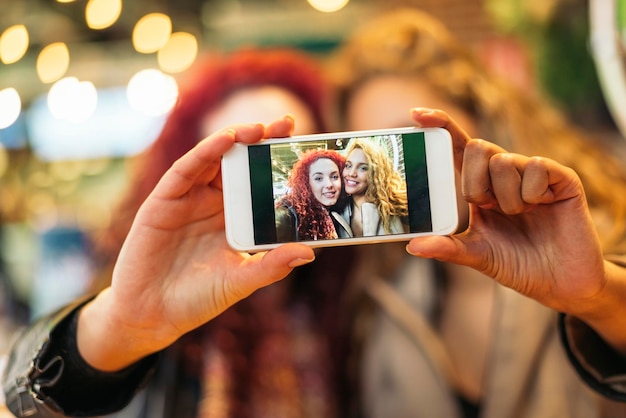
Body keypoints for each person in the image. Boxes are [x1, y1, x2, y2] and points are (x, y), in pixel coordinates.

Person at [4, 10, 626, 418]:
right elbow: (27, 393)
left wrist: (601, 297)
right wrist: (120, 325)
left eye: (405, 142)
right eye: (232, 164)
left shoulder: (354, 294)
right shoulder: (369, 293)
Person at [326, 7, 626, 417]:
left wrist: (599, 298)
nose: (389, 173)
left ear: (479, 119)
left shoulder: (601, 240)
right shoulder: (380, 297)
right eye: (369, 155)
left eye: (409, 143)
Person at [274, 148, 350, 242]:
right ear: (306, 183)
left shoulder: (337, 213)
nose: (329, 184)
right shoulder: (285, 217)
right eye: (318, 178)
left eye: (334, 177)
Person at [341, 137, 409, 237]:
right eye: (348, 165)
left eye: (363, 168)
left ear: (375, 173)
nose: (351, 173)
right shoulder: (336, 212)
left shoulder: (396, 209)